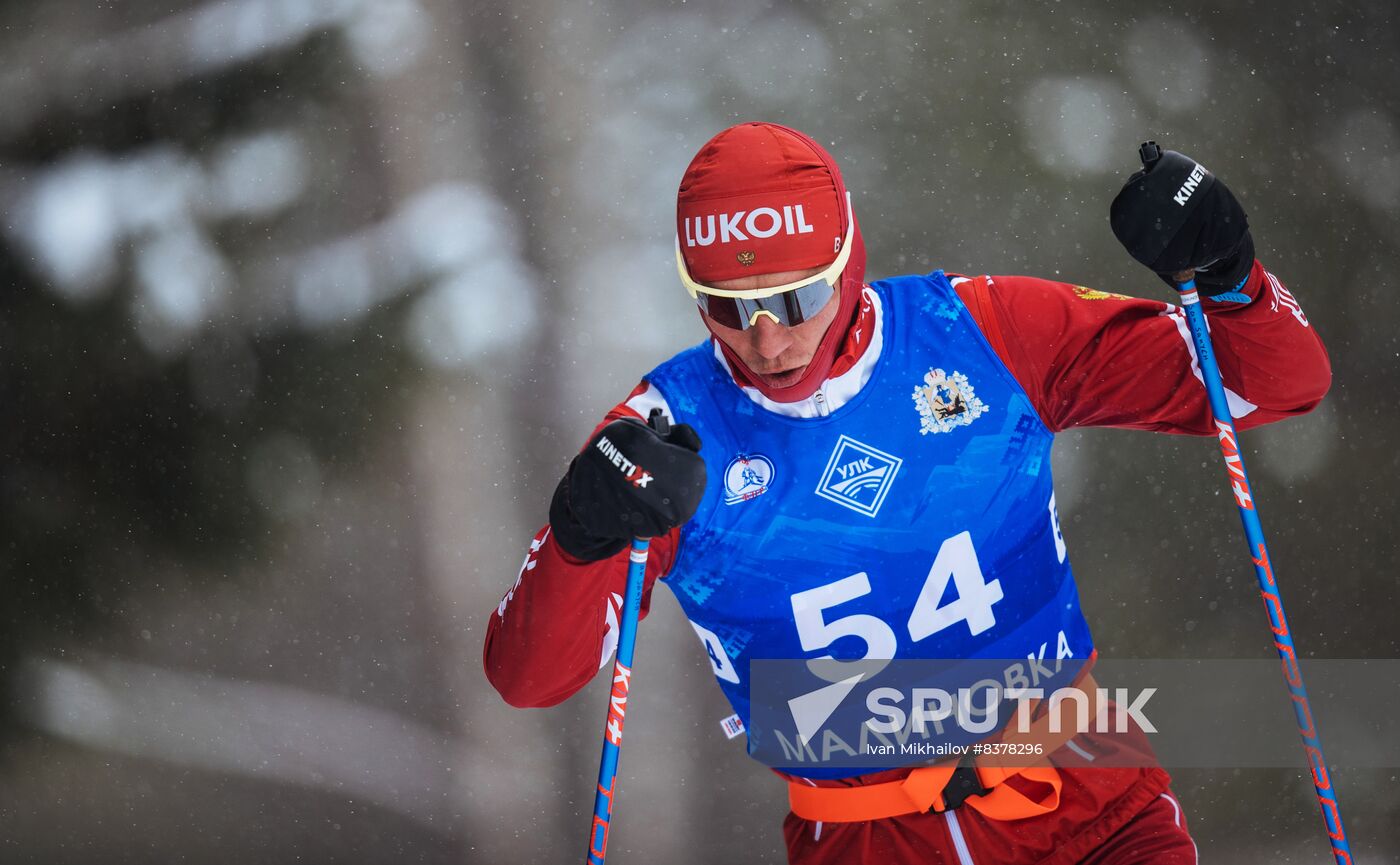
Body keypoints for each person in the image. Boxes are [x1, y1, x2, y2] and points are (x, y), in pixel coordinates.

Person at [483, 122, 1330, 864]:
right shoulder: (669, 435)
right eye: (728, 308)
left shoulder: (982, 332)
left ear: (850, 257)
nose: (767, 338)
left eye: (794, 296)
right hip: (868, 837)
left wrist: (1229, 271)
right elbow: (529, 678)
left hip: (1087, 802)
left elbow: (1278, 383)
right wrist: (579, 529)